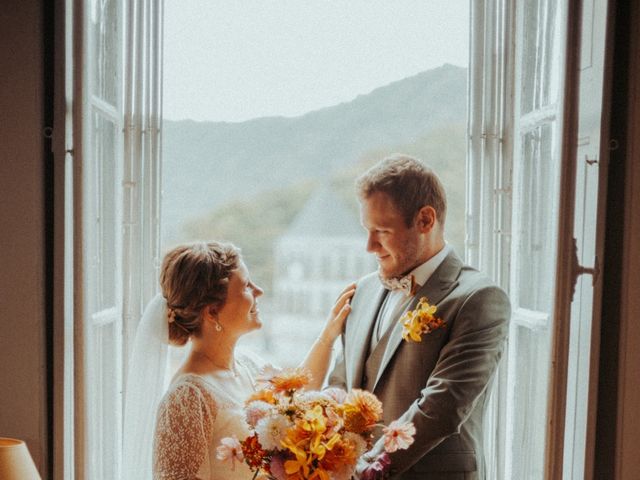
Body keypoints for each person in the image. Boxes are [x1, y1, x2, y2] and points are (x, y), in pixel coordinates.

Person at [327, 154, 510, 480]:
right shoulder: (364, 290)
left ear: (426, 220)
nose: (369, 246)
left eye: (382, 231)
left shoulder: (478, 299)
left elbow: (442, 407)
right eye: (367, 230)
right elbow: (342, 381)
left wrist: (366, 471)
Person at [122, 241, 354, 480]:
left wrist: (328, 336)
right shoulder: (187, 398)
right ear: (212, 312)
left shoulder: (248, 366)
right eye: (246, 287)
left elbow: (295, 404)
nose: (259, 291)